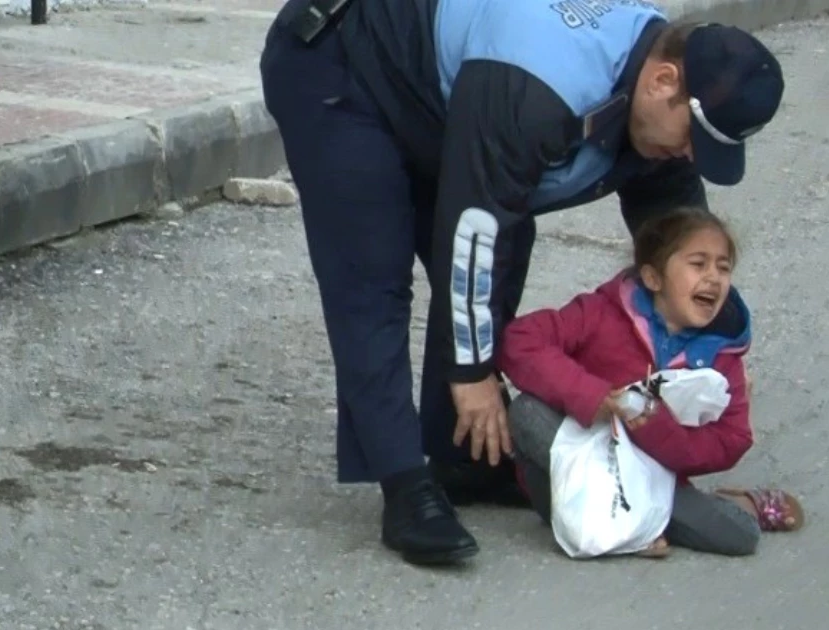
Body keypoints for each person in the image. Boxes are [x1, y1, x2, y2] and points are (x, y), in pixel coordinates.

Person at [258, 0, 786, 566]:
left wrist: (719, 344)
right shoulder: (539, 84)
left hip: (442, 86)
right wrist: (472, 372)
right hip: (344, 65)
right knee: (373, 273)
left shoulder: (653, 94)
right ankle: (405, 485)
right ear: (663, 81)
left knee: (506, 247)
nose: (688, 155)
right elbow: (475, 228)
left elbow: (680, 244)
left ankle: (462, 458)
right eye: (693, 138)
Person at [497, 206, 804, 558]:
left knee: (738, 536)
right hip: (581, 463)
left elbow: (732, 439)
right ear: (654, 278)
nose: (714, 277)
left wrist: (658, 431)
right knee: (526, 412)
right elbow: (521, 340)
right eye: (698, 263)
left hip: (650, 475)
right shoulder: (602, 313)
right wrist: (592, 396)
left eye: (723, 267)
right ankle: (630, 531)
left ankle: (739, 505)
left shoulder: (721, 355)